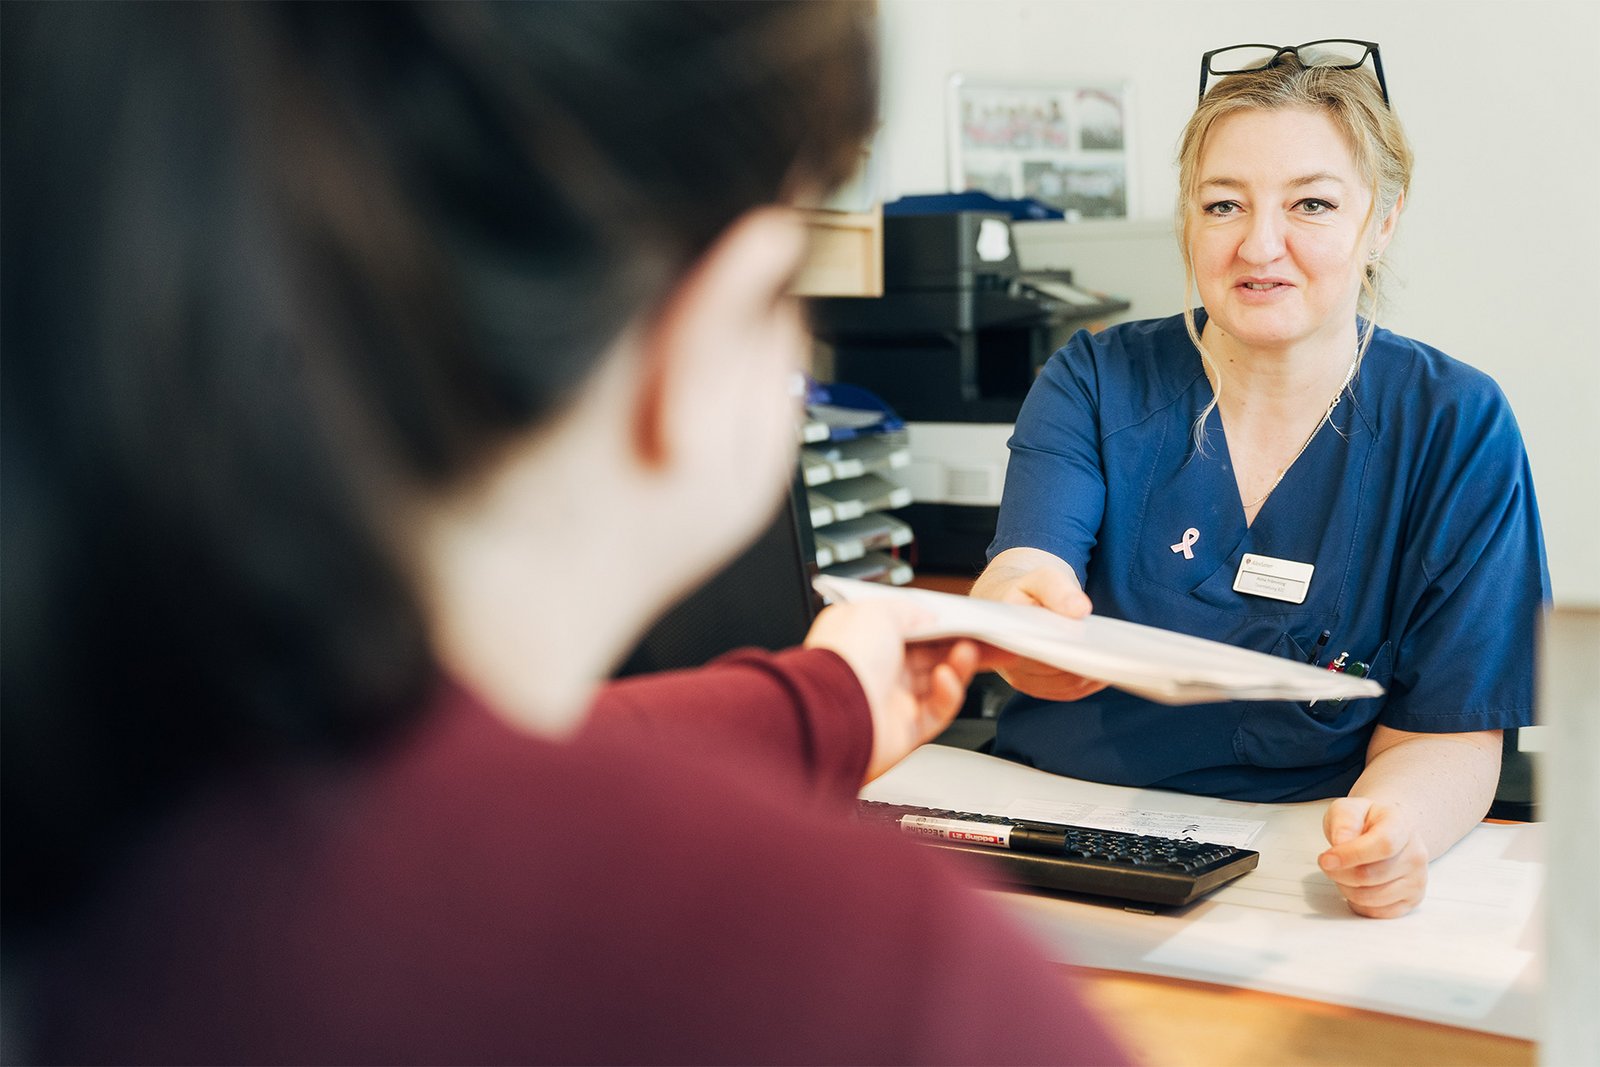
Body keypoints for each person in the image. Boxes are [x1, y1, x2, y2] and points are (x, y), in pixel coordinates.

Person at [0, 4, 1127, 1063]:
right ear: (707, 324)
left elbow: (464, 775)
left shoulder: (105, 800)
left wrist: (827, 697)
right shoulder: (871, 978)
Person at [971, 41, 1549, 921]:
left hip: (1295, 857)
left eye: (1311, 203)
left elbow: (1454, 728)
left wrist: (1396, 830)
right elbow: (1024, 572)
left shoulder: (1454, 425)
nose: (1259, 245)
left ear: (1383, 218)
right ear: (1188, 219)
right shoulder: (1094, 380)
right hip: (1061, 835)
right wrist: (1018, 623)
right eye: (1223, 204)